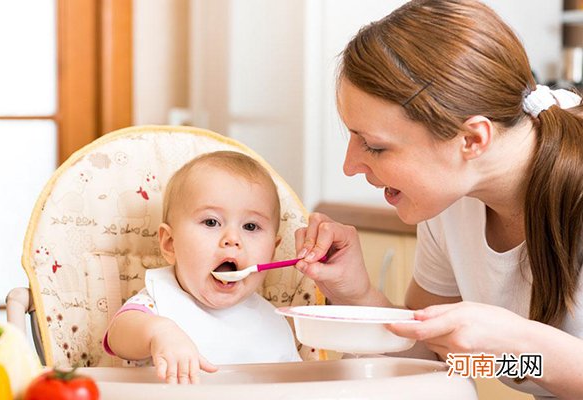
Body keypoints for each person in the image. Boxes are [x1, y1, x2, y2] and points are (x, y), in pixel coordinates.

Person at [294, 1, 583, 398]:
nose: (350, 165)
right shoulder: (451, 201)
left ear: (471, 140)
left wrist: (523, 340)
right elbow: (436, 357)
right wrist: (356, 294)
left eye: (374, 146)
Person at [104, 151, 301, 384]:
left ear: (272, 251)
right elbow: (118, 335)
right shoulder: (157, 304)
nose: (232, 239)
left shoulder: (273, 323)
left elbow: (296, 386)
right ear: (170, 243)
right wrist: (159, 333)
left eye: (250, 226)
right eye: (211, 222)